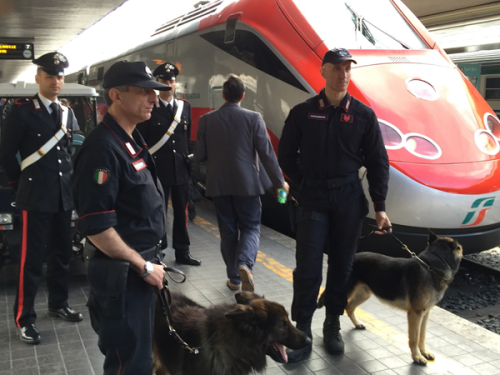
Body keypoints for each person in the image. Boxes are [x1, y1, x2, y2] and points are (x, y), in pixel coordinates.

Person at [278, 48, 392, 361]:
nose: (343, 75)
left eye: (348, 69)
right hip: (313, 198)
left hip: (348, 199)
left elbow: (378, 161)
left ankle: (332, 324)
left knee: (342, 266)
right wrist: (305, 182)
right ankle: (301, 329)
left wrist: (379, 205)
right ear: (323, 72)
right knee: (308, 267)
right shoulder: (303, 112)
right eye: (337, 69)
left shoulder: (363, 115)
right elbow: (286, 155)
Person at [73, 61, 169, 374]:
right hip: (125, 277)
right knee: (128, 362)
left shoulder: (129, 139)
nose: (154, 99)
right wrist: (143, 266)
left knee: (140, 358)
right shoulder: (102, 149)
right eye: (144, 92)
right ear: (116, 95)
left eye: (153, 92)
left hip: (139, 272)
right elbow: (97, 227)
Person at [0, 52, 83, 345]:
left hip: (63, 196)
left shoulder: (67, 112)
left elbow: (72, 150)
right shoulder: (22, 111)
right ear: (38, 78)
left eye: (60, 76)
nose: (56, 81)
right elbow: (7, 153)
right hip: (34, 197)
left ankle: (58, 303)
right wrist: (18, 185)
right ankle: (25, 318)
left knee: (62, 255)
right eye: (50, 76)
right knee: (30, 261)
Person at [194, 75, 289, 292]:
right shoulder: (254, 118)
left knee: (228, 232)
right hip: (248, 185)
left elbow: (199, 156)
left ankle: (234, 279)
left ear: (223, 95)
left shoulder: (206, 120)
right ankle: (244, 264)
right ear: (243, 96)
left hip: (218, 185)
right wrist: (279, 183)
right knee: (251, 228)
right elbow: (267, 154)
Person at [137, 62, 200, 266]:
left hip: (181, 169)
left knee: (181, 212)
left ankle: (183, 252)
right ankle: (159, 251)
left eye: (172, 80)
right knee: (159, 212)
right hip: (158, 169)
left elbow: (186, 140)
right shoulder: (150, 109)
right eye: (164, 81)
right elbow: (143, 141)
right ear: (157, 83)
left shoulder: (185, 107)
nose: (169, 84)